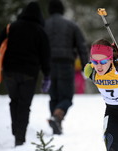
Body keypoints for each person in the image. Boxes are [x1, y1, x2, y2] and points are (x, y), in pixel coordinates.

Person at [0, 2, 50, 146]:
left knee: (14, 101)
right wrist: (47, 75)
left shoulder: (12, 27)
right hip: (29, 74)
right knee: (25, 105)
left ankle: (15, 130)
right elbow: (45, 56)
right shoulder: (40, 31)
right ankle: (20, 137)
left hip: (10, 71)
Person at [44, 0, 88, 135]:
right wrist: (85, 67)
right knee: (66, 97)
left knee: (54, 96)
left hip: (49, 65)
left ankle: (56, 120)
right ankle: (57, 117)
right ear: (62, 10)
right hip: (66, 64)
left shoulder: (43, 25)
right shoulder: (71, 25)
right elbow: (82, 46)